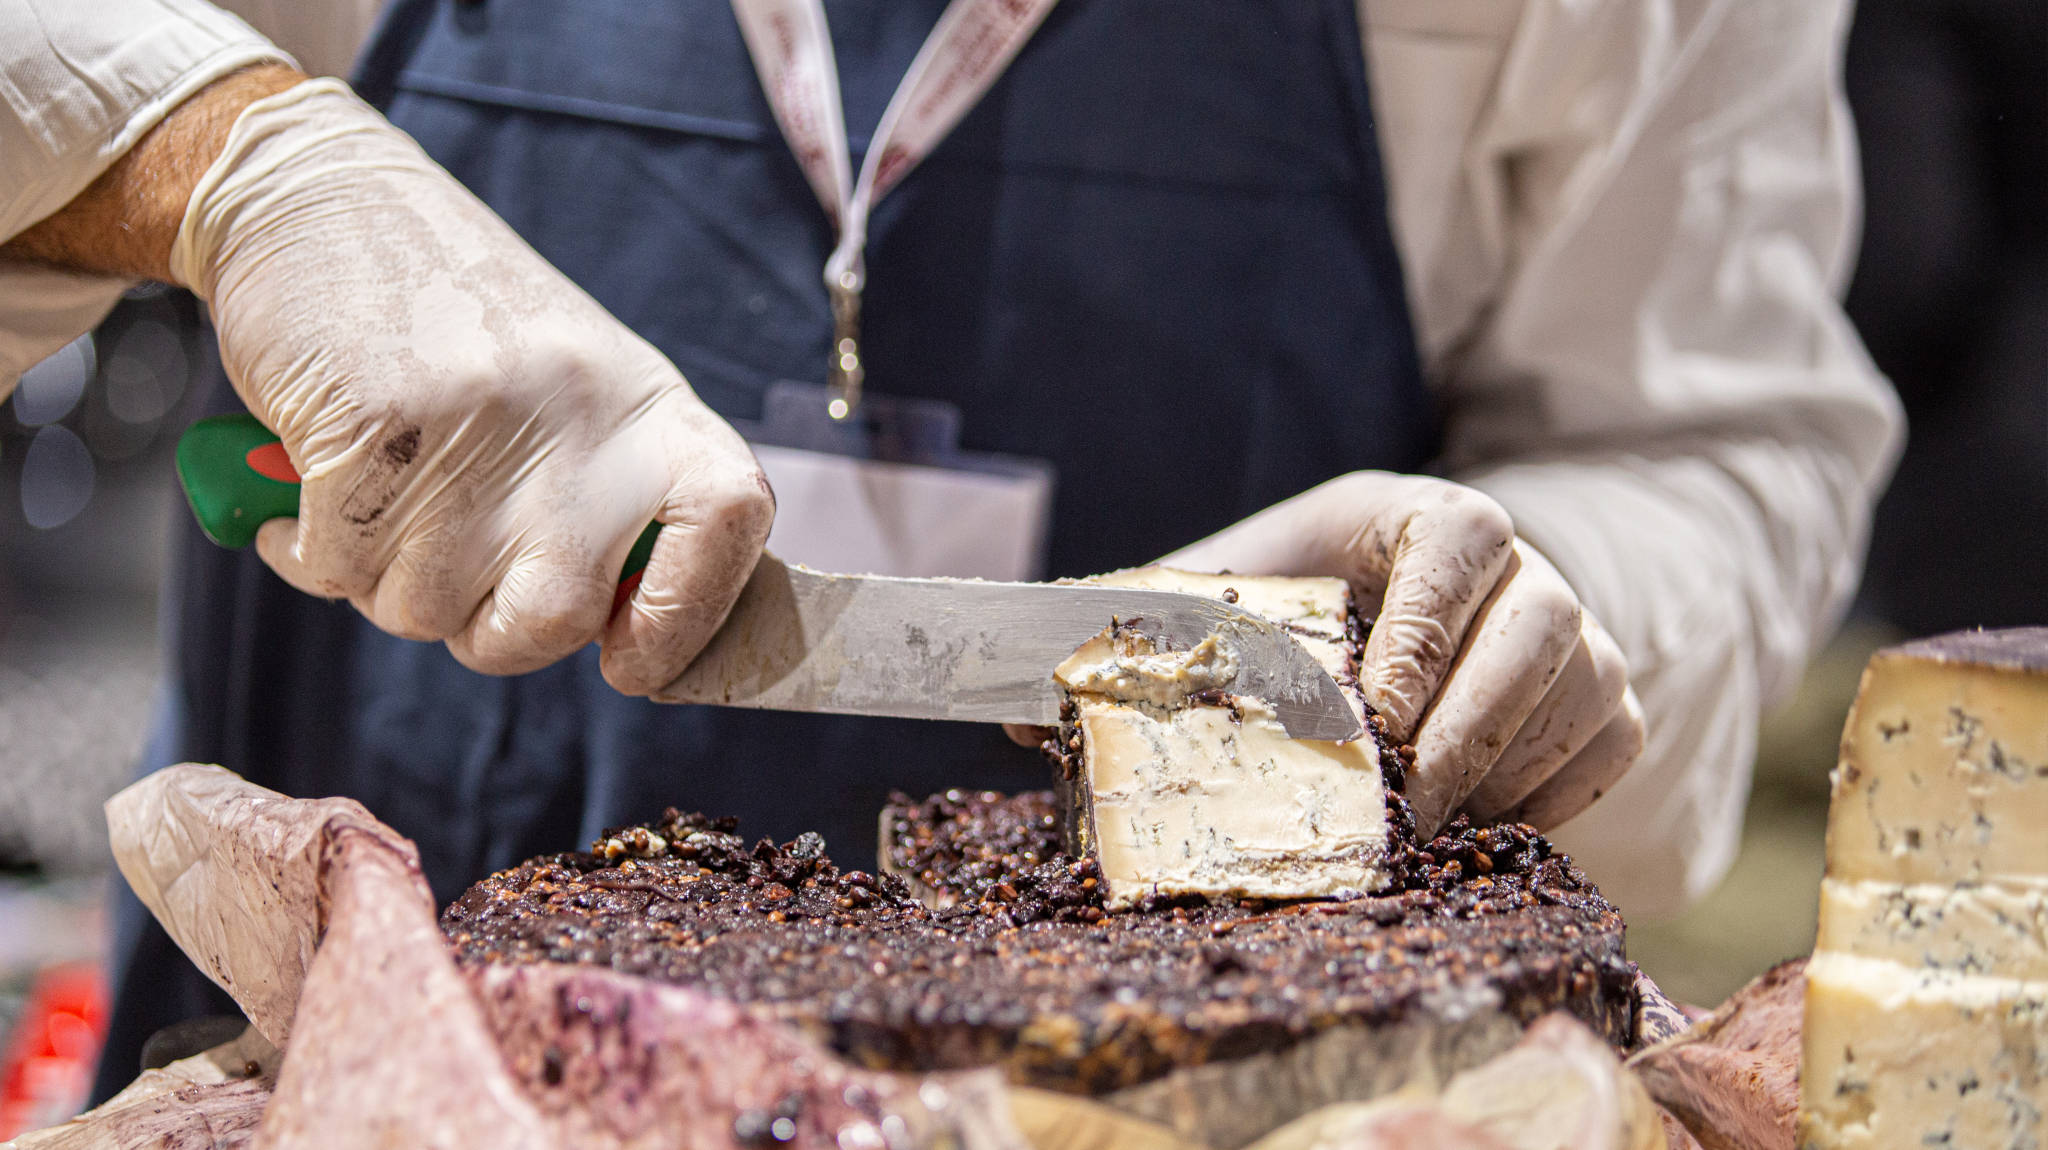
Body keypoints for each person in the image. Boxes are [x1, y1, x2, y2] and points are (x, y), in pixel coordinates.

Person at [0, 0, 1900, 1099]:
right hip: (384, 1082)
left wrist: (1509, 613)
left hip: (1217, 1101)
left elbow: (1708, 435)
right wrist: (223, 159)